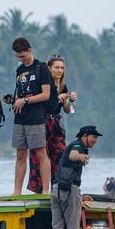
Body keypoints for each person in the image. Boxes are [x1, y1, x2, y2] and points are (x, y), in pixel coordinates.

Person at [49, 125, 101, 229]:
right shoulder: (78, 145)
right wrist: (81, 156)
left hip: (56, 189)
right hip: (69, 190)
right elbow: (73, 155)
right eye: (94, 137)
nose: (95, 141)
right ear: (85, 136)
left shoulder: (75, 145)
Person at [27, 55, 75, 194]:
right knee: (39, 158)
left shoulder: (63, 85)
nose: (60, 70)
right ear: (49, 68)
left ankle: (59, 186)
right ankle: (41, 190)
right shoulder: (44, 83)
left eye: (62, 68)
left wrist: (69, 100)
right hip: (41, 122)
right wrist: (56, 98)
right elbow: (45, 104)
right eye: (57, 67)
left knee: (60, 154)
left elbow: (67, 110)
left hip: (55, 125)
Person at [10, 37, 52, 195]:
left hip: (36, 117)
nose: (21, 59)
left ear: (30, 50)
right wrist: (15, 101)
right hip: (20, 117)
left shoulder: (41, 68)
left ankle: (46, 190)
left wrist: (26, 100)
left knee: (41, 152)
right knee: (20, 154)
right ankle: (17, 192)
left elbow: (46, 95)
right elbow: (20, 94)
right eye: (18, 57)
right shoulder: (19, 70)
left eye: (23, 56)